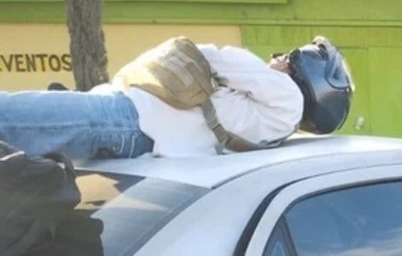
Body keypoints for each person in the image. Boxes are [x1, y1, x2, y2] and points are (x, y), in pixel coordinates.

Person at [0, 35, 354, 162]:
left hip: (125, 117)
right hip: (133, 130)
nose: (276, 59)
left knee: (7, 116)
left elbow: (211, 55)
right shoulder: (269, 125)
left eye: (289, 57)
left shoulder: (286, 100)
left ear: (305, 72)